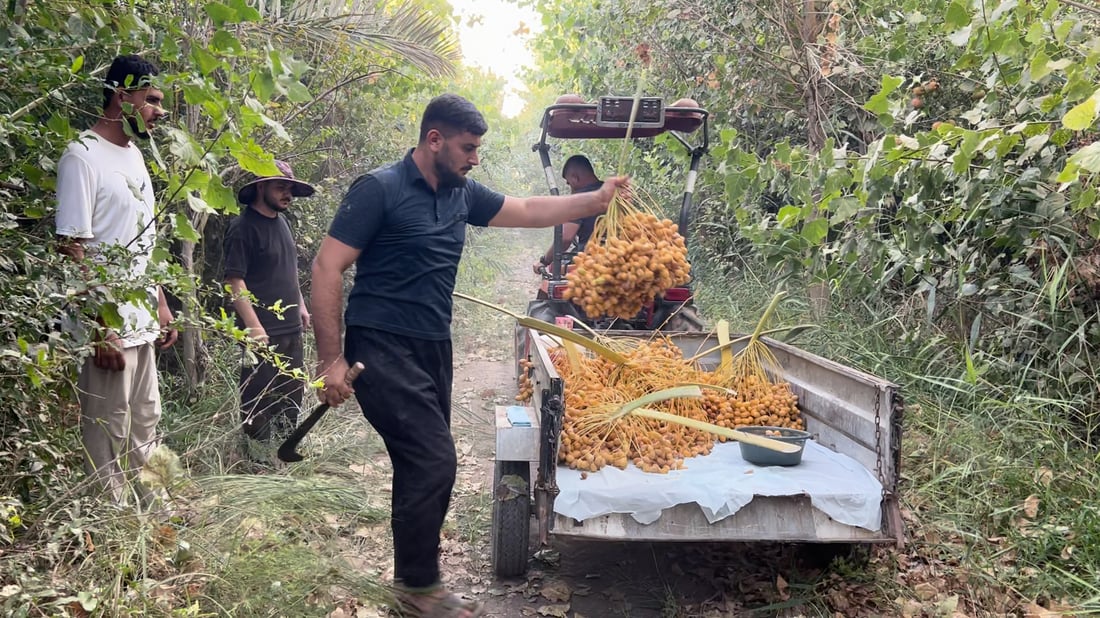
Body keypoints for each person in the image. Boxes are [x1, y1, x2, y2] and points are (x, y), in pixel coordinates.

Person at [311, 94, 628, 618]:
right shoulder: (380, 189)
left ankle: (410, 586)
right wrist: (330, 361)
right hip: (380, 344)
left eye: (478, 149)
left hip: (433, 345)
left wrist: (593, 200)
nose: (475, 158)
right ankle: (420, 589)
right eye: (468, 148)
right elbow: (327, 266)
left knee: (419, 464)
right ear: (434, 139)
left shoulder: (461, 193)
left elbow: (526, 210)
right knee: (434, 460)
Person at [55, 54, 178, 505]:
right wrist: (100, 325)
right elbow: (72, 246)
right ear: (122, 96)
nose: (160, 111)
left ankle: (159, 514)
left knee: (147, 420)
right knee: (108, 431)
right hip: (108, 329)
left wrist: (160, 303)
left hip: (141, 321)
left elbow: (142, 239)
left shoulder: (135, 155)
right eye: (152, 100)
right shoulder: (82, 156)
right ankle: (114, 527)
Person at [223, 161, 315, 460]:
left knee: (291, 395)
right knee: (257, 400)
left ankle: (284, 456)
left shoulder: (282, 222)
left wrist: (301, 305)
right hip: (261, 332)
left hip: (290, 328)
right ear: (261, 187)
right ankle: (257, 461)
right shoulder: (242, 228)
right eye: (280, 187)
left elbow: (288, 270)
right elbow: (234, 281)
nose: (287, 194)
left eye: (290, 188)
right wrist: (253, 327)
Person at [532, 153, 603, 274]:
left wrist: (544, 261)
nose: (570, 187)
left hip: (591, 265)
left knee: (553, 272)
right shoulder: (614, 192)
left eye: (569, 183)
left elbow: (565, 238)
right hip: (622, 256)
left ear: (575, 178)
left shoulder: (579, 200)